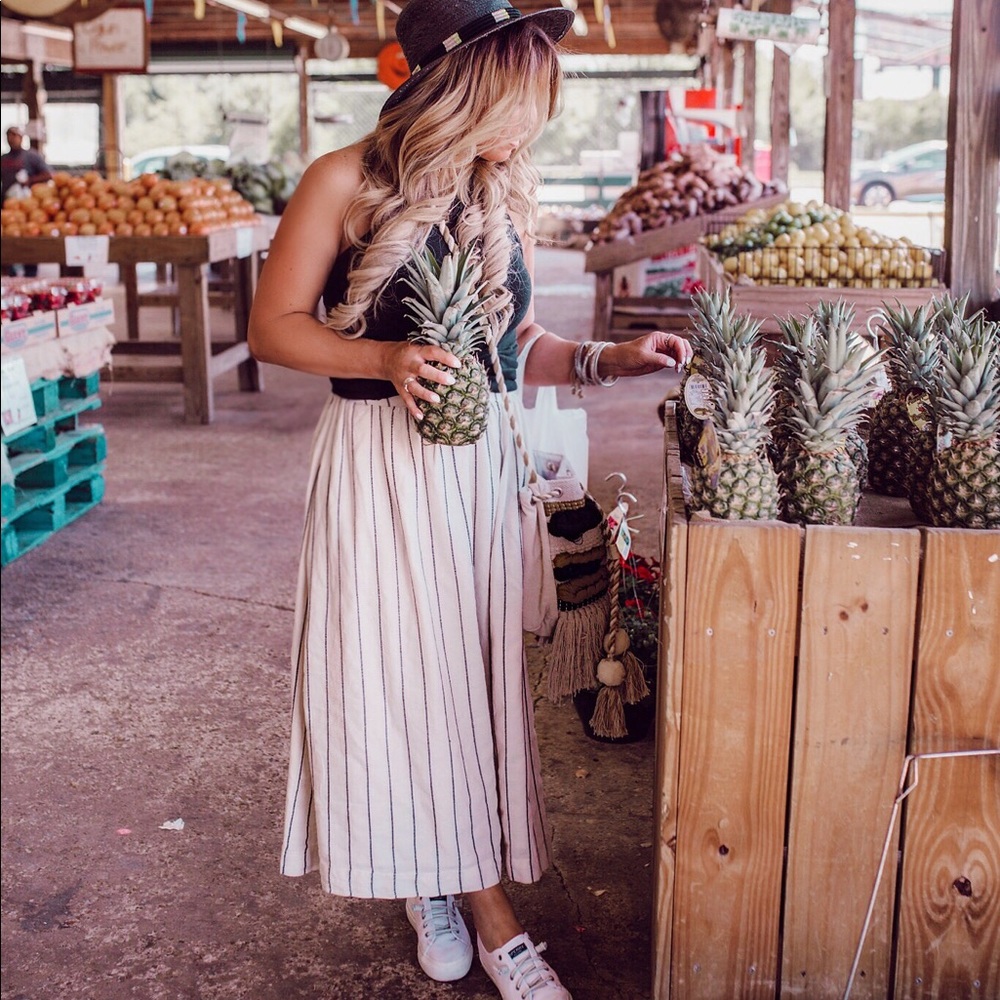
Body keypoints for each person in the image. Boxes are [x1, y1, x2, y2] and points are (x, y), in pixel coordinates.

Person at [247, 1, 692, 996]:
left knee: (476, 680)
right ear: (455, 86)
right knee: (407, 682)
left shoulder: (496, 189)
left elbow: (516, 346)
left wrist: (609, 357)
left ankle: (433, 864)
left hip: (482, 458)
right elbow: (273, 327)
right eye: (516, 101)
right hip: (381, 461)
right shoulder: (346, 180)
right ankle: (484, 911)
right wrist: (385, 355)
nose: (527, 127)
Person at [2, 125, 53, 277]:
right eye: (9, 135)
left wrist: (29, 181)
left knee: (29, 237)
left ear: (22, 138)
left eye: (15, 135)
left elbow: (48, 175)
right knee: (9, 240)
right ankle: (11, 274)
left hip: (28, 209)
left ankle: (31, 272)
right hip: (8, 209)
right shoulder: (3, 159)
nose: (12, 138)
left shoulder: (31, 156)